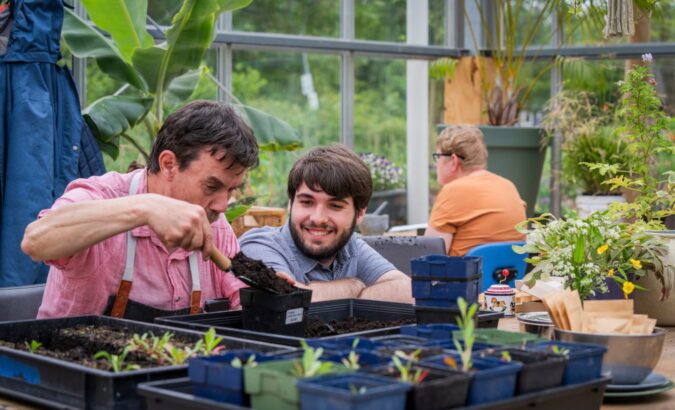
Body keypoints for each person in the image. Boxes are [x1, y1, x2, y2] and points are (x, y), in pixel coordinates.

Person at [21, 100, 259, 320]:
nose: (221, 205)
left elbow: (243, 294)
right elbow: (36, 241)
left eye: (230, 191)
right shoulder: (104, 195)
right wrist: (144, 208)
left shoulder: (215, 224)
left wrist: (274, 295)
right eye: (211, 186)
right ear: (168, 164)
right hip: (73, 362)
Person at [239, 145, 413, 304]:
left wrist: (351, 298)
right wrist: (352, 286)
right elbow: (285, 302)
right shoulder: (258, 246)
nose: (318, 218)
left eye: (335, 206)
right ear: (290, 204)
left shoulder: (351, 247)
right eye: (307, 202)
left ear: (360, 213)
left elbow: (407, 290)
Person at [425, 125, 526, 256]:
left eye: (438, 156)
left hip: (462, 275)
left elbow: (428, 257)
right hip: (508, 276)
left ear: (454, 161)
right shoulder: (509, 187)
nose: (436, 164)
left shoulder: (453, 191)